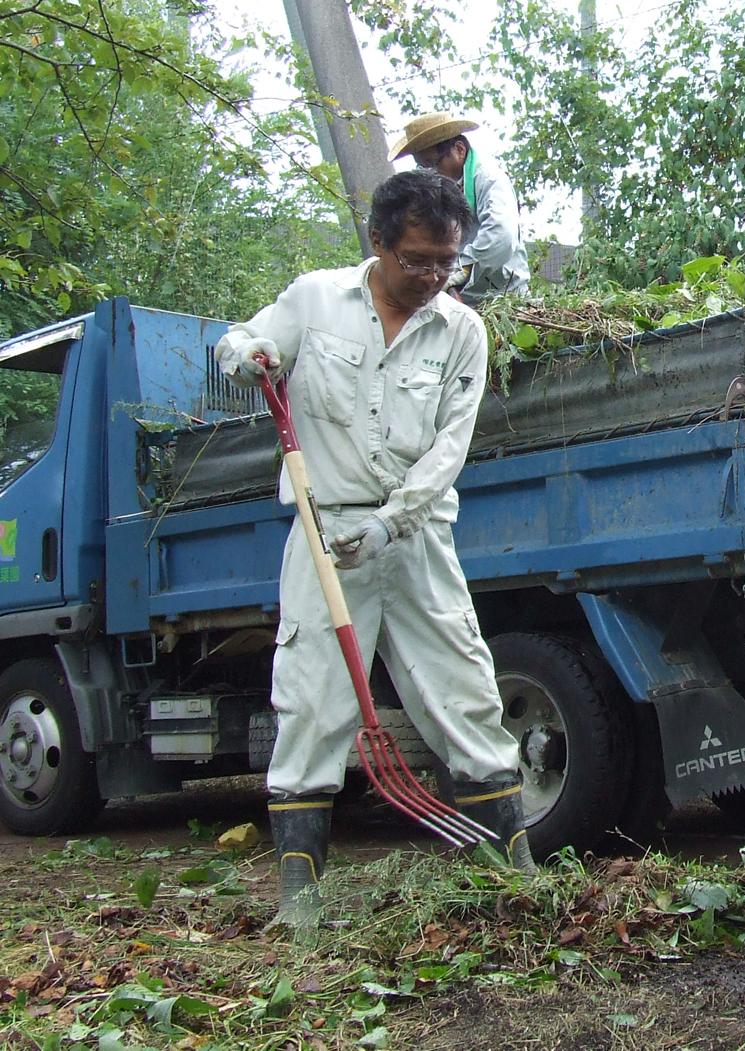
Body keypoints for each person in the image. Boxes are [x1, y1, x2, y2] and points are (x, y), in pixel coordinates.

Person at [216, 169, 535, 929]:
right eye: (417, 259)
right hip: (324, 541)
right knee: (310, 705)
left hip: (416, 537)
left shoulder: (463, 330)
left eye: (445, 262)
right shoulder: (316, 300)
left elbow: (448, 449)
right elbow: (241, 340)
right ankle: (302, 901)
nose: (431, 277)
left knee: (467, 693)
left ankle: (520, 882)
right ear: (379, 243)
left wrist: (392, 522)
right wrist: (247, 354)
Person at [389, 111, 530, 305]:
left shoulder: (489, 180)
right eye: (423, 167)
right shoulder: (437, 191)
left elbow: (501, 236)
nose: (430, 173)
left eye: (433, 163)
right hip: (461, 298)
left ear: (459, 149)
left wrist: (463, 268)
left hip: (505, 297)